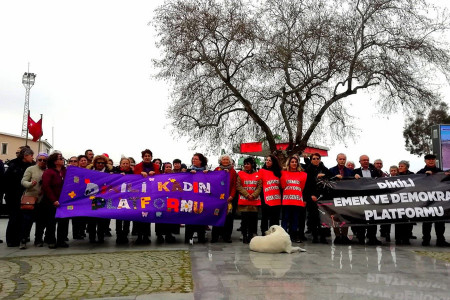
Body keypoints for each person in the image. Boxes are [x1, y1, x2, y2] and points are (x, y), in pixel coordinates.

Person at [4, 147, 34, 247]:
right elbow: (7, 181)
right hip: (13, 196)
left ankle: (19, 238)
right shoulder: (13, 165)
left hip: (24, 196)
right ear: (25, 156)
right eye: (31, 156)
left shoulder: (30, 165)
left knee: (21, 218)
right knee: (14, 218)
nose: (32, 158)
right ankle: (11, 240)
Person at [417, 154, 449, 247]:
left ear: (435, 160)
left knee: (440, 221)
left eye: (432, 159)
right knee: (427, 221)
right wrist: (424, 176)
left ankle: (440, 240)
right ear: (425, 161)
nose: (431, 161)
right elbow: (416, 183)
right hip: (426, 201)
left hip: (439, 201)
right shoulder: (421, 172)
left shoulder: (440, 172)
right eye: (428, 159)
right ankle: (426, 239)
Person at [19, 152, 48, 249]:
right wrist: (30, 184)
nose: (42, 162)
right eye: (40, 159)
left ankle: (38, 239)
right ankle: (23, 240)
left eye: (44, 160)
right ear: (36, 160)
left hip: (43, 200)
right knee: (27, 221)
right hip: (30, 198)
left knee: (41, 222)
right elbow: (23, 181)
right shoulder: (30, 169)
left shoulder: (48, 170)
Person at [40, 152, 69, 248]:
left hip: (64, 201)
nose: (62, 160)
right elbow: (46, 187)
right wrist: (54, 200)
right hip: (51, 201)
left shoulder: (66, 171)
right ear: (55, 161)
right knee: (51, 222)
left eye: (62, 158)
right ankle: (51, 240)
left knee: (63, 222)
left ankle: (61, 240)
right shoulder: (49, 172)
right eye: (60, 158)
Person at [353, 155, 382, 245]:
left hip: (373, 198)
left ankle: (372, 237)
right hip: (361, 198)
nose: (366, 161)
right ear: (360, 161)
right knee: (361, 217)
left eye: (367, 160)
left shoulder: (375, 171)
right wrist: (353, 177)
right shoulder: (355, 172)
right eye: (364, 160)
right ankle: (360, 237)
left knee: (373, 217)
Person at [134, 149, 160, 244]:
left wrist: (155, 175)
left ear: (151, 157)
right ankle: (139, 236)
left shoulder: (156, 167)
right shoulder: (137, 167)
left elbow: (160, 179)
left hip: (151, 193)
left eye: (149, 156)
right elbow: (133, 179)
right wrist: (140, 174)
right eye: (145, 156)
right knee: (139, 214)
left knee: (147, 214)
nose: (147, 157)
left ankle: (146, 235)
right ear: (142, 157)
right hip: (140, 194)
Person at [304, 153, 331, 244]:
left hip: (323, 197)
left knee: (324, 218)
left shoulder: (325, 169)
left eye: (317, 158)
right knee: (313, 218)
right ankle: (315, 236)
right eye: (314, 158)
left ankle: (323, 237)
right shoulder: (307, 170)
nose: (316, 160)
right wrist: (311, 195)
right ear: (311, 160)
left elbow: (330, 179)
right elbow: (306, 185)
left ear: (320, 159)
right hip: (312, 197)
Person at [328, 153, 354, 244]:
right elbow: (327, 181)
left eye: (344, 159)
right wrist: (335, 177)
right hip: (334, 197)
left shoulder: (350, 171)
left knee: (345, 217)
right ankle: (337, 236)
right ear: (337, 160)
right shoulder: (331, 170)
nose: (342, 161)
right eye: (340, 159)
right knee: (335, 217)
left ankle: (344, 235)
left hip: (346, 197)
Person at [86, 155, 113, 244]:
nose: (100, 164)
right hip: (91, 198)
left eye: (102, 163)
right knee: (92, 219)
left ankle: (101, 237)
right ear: (95, 163)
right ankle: (92, 237)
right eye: (98, 162)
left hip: (104, 198)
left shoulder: (109, 172)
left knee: (102, 219)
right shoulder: (89, 171)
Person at [280, 155, 307, 243]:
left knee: (295, 219)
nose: (294, 163)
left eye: (295, 162)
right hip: (287, 200)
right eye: (292, 162)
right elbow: (282, 186)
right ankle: (283, 236)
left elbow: (302, 188)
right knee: (285, 218)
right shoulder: (283, 173)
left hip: (297, 201)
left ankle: (294, 236)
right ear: (289, 163)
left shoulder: (303, 174)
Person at [211, 154, 237, 243]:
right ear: (220, 161)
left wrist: (232, 196)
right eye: (223, 159)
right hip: (218, 198)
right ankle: (215, 236)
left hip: (228, 198)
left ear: (229, 161)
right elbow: (212, 182)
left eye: (227, 160)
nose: (225, 161)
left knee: (228, 218)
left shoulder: (233, 171)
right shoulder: (217, 170)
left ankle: (227, 236)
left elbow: (234, 185)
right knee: (216, 216)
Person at [236, 157, 262, 244]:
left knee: (253, 220)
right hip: (244, 201)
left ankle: (251, 235)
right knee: (244, 220)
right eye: (245, 164)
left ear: (252, 165)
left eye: (248, 164)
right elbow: (238, 186)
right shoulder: (240, 174)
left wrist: (253, 195)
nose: (246, 165)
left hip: (254, 202)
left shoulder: (258, 175)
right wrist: (247, 195)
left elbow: (259, 187)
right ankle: (244, 235)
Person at [185, 153, 209, 244]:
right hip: (190, 198)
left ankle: (201, 237)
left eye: (196, 159)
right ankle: (188, 237)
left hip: (202, 198)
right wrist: (189, 174)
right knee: (190, 218)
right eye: (193, 159)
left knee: (201, 217)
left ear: (201, 161)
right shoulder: (188, 170)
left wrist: (207, 175)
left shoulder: (206, 171)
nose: (194, 160)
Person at [155, 162, 179, 243]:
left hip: (171, 200)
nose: (168, 168)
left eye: (170, 167)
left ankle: (169, 234)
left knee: (170, 217)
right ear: (163, 168)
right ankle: (159, 235)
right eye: (167, 167)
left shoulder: (175, 177)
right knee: (159, 217)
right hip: (161, 200)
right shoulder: (159, 177)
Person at [258, 155, 282, 235]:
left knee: (275, 218)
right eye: (267, 160)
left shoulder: (279, 173)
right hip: (266, 198)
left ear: (273, 162)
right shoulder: (262, 171)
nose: (267, 162)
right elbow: (259, 184)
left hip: (276, 199)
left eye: (270, 160)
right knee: (264, 217)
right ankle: (264, 232)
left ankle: (274, 233)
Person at [113, 157, 134, 244]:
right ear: (120, 164)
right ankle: (118, 235)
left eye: (127, 163)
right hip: (118, 197)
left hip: (128, 197)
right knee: (118, 217)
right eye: (123, 163)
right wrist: (117, 176)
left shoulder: (133, 173)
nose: (125, 165)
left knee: (127, 217)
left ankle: (125, 235)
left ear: (129, 164)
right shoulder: (116, 172)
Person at [394, 160, 415, 245]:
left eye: (401, 166)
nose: (399, 168)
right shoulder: (396, 176)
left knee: (407, 221)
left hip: (409, 201)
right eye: (399, 166)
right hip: (398, 202)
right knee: (398, 221)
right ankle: (398, 238)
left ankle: (406, 238)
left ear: (406, 167)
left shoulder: (413, 175)